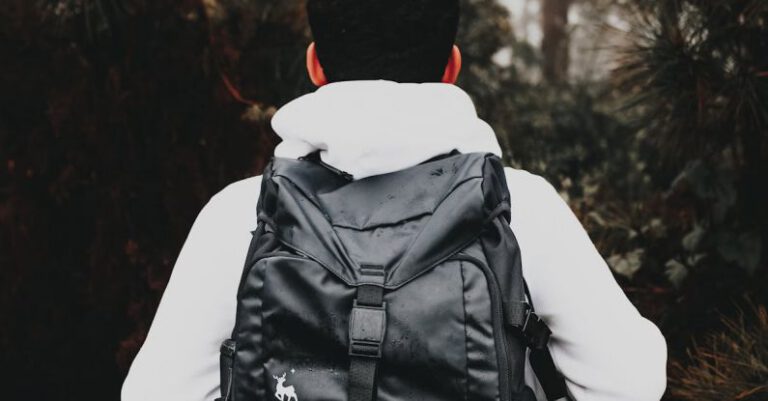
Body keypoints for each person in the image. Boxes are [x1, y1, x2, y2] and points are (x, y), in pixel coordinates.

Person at [121, 0, 667, 400]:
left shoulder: (241, 214)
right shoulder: (520, 207)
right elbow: (631, 383)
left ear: (316, 67)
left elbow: (154, 394)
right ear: (451, 68)